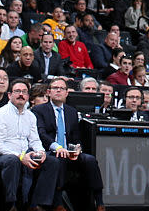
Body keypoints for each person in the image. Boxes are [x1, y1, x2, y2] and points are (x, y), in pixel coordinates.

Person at [0, 76, 62, 210]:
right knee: (12, 160)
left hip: (25, 154)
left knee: (52, 161)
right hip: (0, 157)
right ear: (10, 95)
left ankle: (37, 205)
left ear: (28, 96)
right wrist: (20, 156)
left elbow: (34, 140)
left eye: (24, 92)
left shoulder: (31, 116)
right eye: (17, 91)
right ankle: (11, 205)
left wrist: (40, 152)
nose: (21, 95)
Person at [34, 77, 105, 211]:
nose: (58, 91)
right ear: (49, 92)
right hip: (50, 151)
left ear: (67, 93)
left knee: (90, 160)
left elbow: (75, 137)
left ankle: (99, 201)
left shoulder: (71, 111)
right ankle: (58, 202)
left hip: (69, 152)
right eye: (55, 88)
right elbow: (41, 134)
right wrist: (58, 147)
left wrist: (77, 148)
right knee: (59, 158)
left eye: (62, 88)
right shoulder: (39, 110)